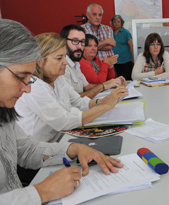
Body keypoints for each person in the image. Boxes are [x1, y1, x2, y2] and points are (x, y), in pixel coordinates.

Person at [0, 19, 123, 205]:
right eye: (20, 77)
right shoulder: (33, 89)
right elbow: (64, 120)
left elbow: (25, 149)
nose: (26, 88)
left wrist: (72, 148)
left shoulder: (4, 110)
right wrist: (40, 192)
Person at [15, 33, 128, 143]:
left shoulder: (58, 78)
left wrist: (102, 101)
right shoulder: (34, 87)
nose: (65, 62)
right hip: (41, 149)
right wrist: (107, 106)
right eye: (59, 58)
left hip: (61, 138)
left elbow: (77, 102)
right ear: (39, 61)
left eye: (65, 56)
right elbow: (64, 121)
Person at [60, 24, 126, 99]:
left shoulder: (76, 64)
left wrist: (111, 83)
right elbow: (73, 99)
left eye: (82, 42)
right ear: (63, 42)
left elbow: (87, 86)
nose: (79, 46)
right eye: (75, 41)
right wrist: (104, 85)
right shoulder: (61, 66)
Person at [111, 15, 134, 80]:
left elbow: (131, 46)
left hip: (126, 60)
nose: (116, 23)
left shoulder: (126, 32)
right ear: (112, 23)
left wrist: (133, 59)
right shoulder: (110, 33)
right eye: (114, 22)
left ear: (121, 23)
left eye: (118, 21)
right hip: (115, 61)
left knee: (127, 79)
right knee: (117, 80)